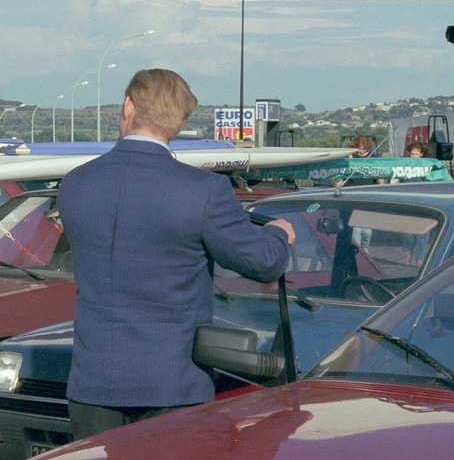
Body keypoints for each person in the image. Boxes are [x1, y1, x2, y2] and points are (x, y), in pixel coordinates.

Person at [58, 68, 296, 440]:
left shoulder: (75, 184)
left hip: (91, 387)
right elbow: (263, 263)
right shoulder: (203, 190)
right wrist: (279, 233)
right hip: (172, 388)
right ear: (180, 122)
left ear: (128, 106)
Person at [402, 141, 431, 264]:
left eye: (416, 154)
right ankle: (407, 254)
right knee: (408, 233)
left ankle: (420, 258)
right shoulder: (404, 167)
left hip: (424, 203)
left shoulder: (427, 167)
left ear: (421, 154)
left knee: (423, 234)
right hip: (408, 204)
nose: (414, 156)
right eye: (412, 154)